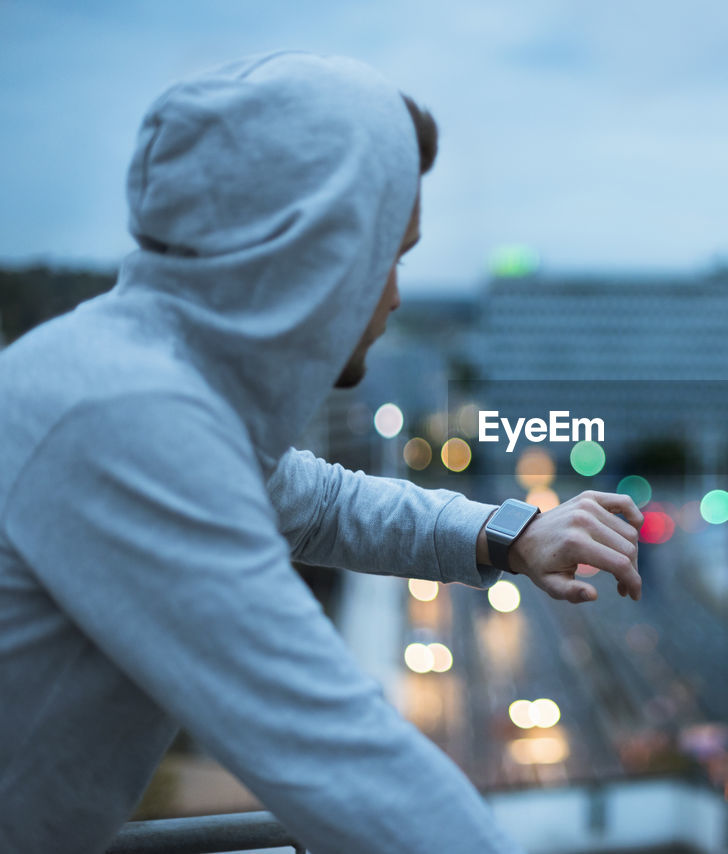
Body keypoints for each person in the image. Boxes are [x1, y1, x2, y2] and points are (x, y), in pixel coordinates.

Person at [0, 51, 643, 853]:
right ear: (319, 251)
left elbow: (327, 503)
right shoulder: (122, 421)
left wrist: (515, 533)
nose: (397, 294)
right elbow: (345, 761)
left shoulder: (141, 380)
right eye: (389, 254)